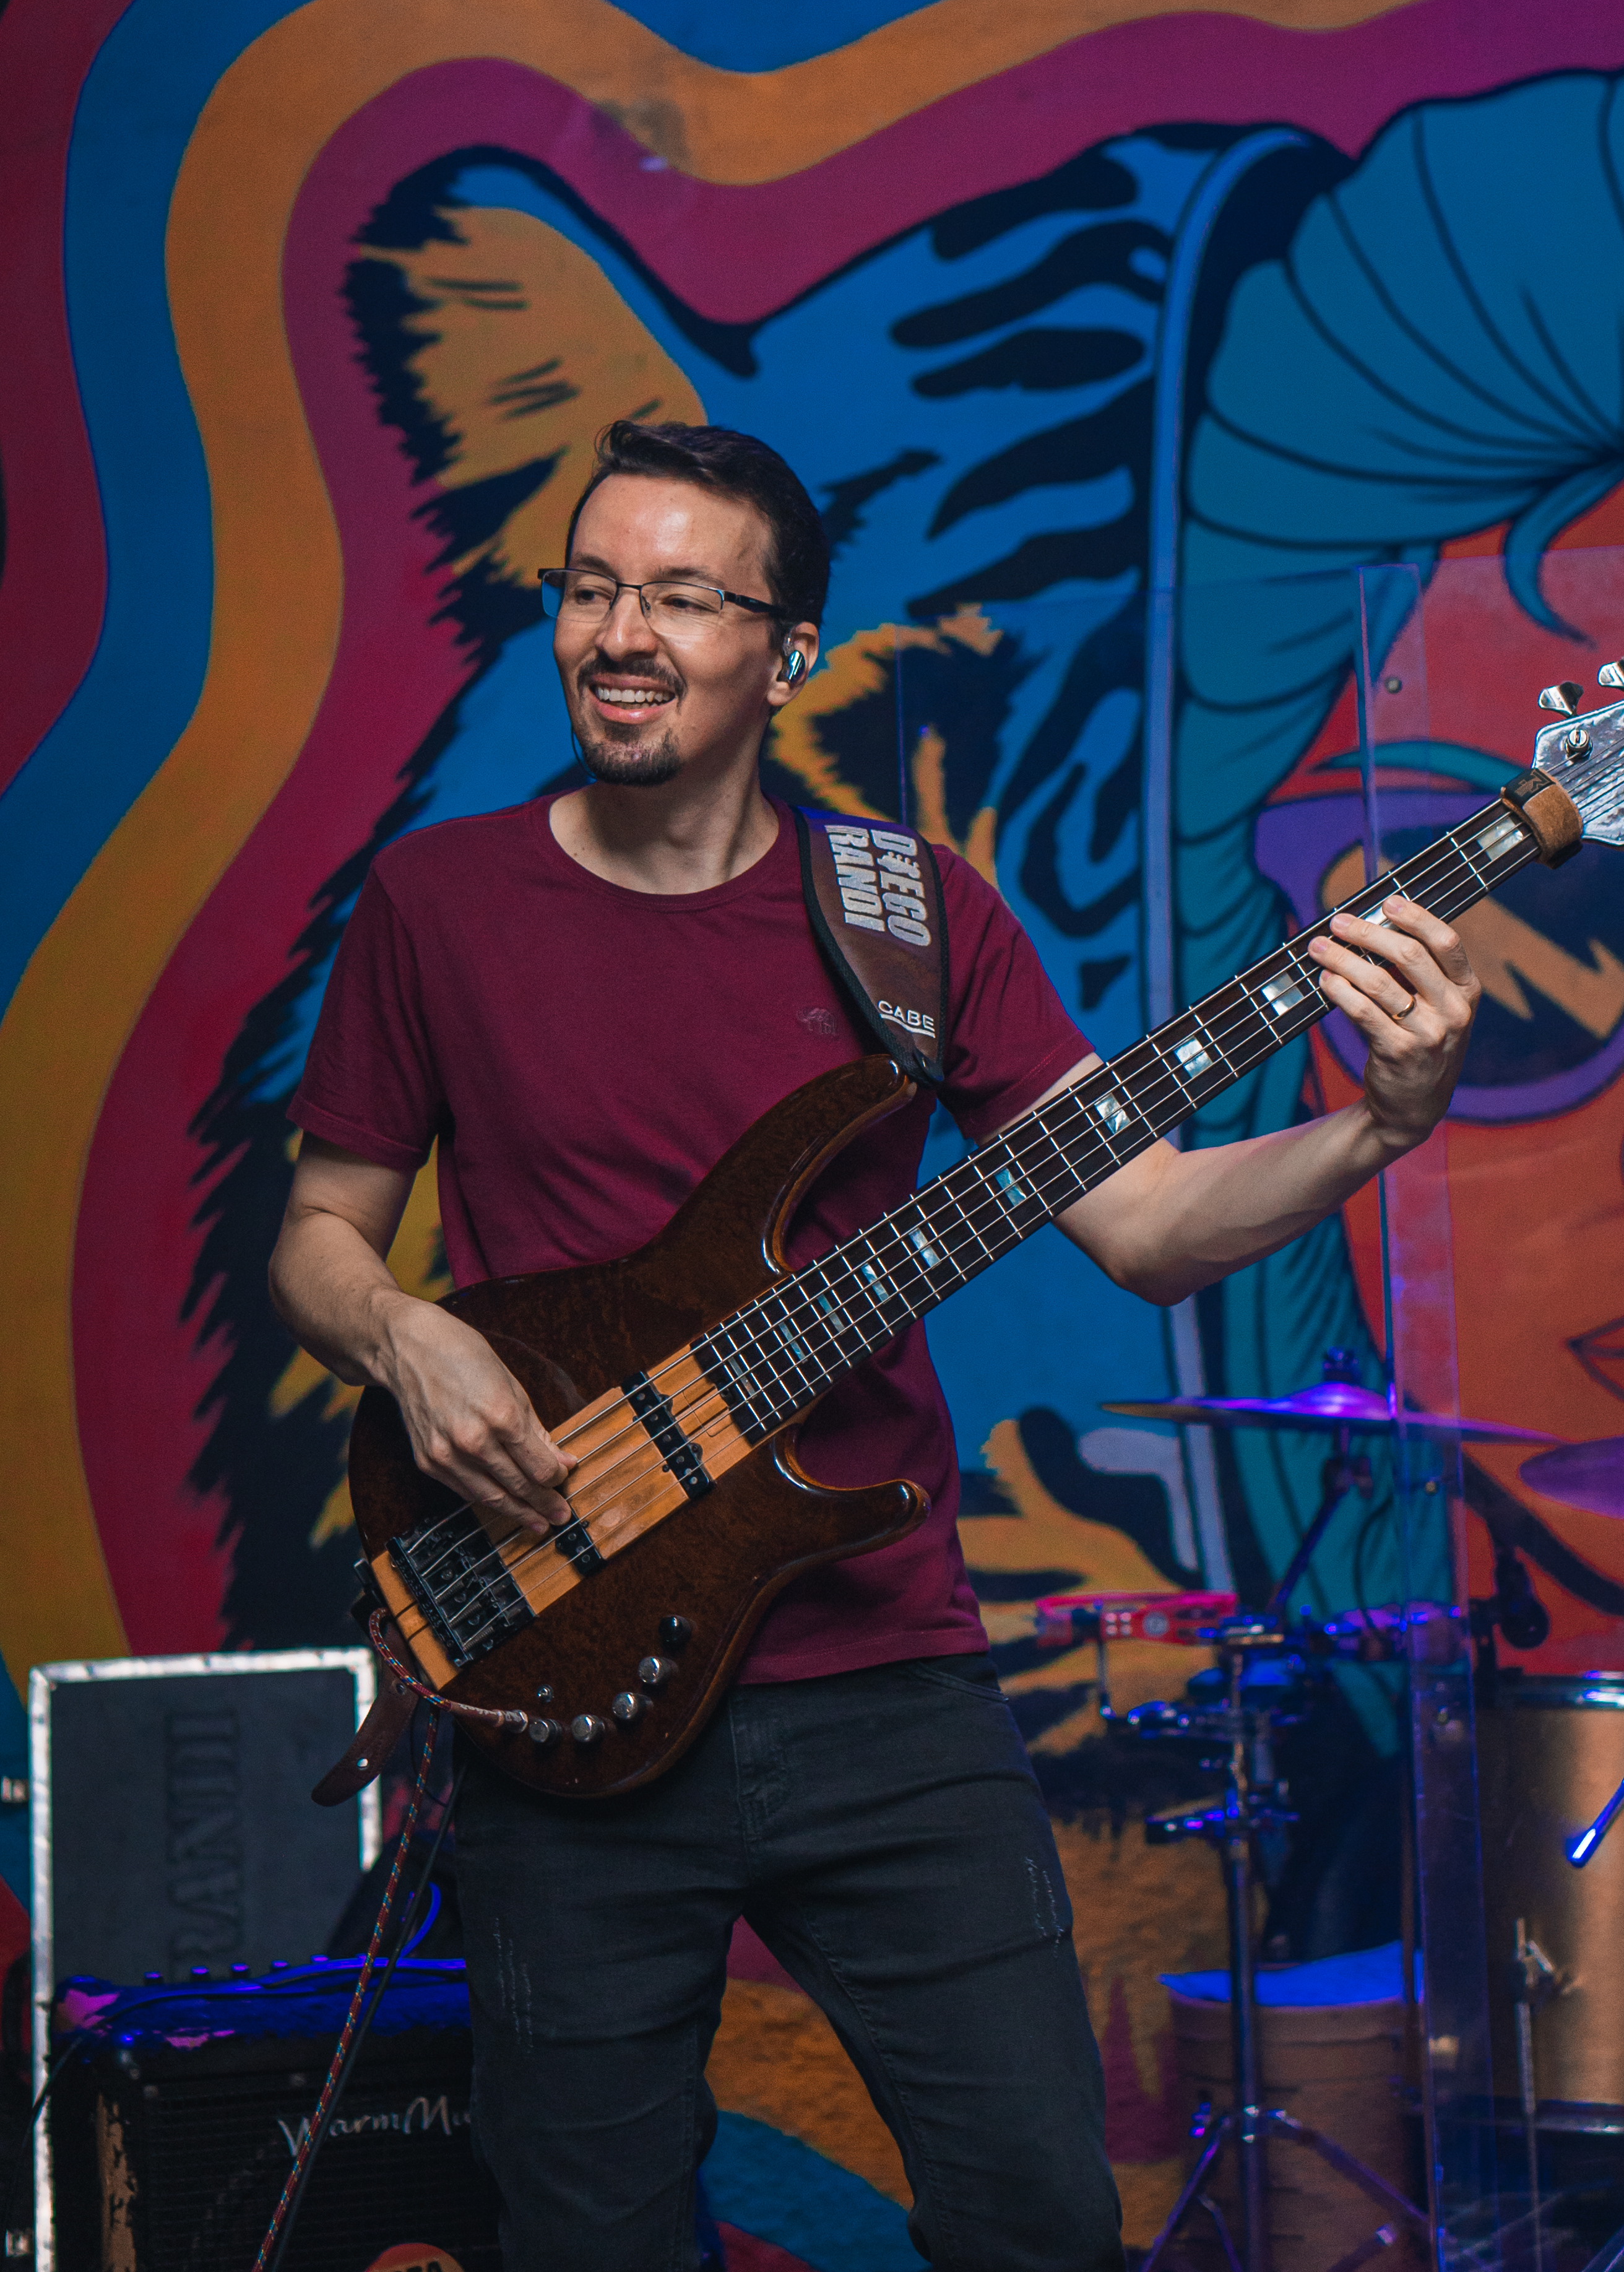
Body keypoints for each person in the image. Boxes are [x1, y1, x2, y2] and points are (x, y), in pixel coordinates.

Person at [269, 420, 1480, 2272]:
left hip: (879, 1684)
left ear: (791, 648)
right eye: (593, 587)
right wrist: (405, 1338)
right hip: (563, 1656)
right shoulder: (438, 906)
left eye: (681, 595)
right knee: (588, 2237)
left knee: (1043, 2221)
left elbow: (1145, 1224)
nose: (621, 630)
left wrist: (1376, 1130)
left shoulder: (912, 920)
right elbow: (317, 1242)